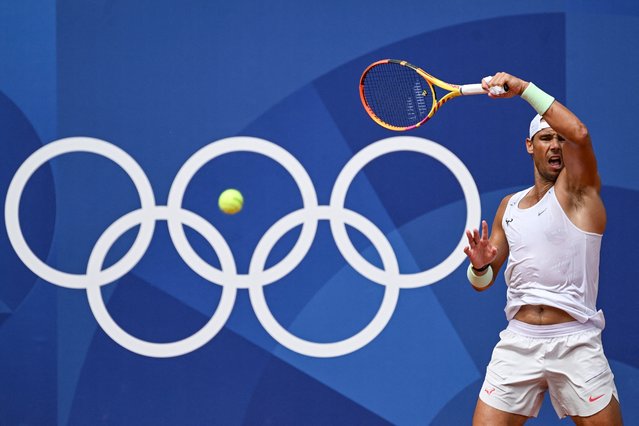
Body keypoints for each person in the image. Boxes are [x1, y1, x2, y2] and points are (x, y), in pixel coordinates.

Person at [463, 73, 623, 425]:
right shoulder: (509, 206)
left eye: (560, 140)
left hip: (575, 342)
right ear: (529, 145)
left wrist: (522, 89)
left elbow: (579, 133)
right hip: (519, 342)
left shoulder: (581, 195)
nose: (556, 145)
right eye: (546, 138)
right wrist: (479, 266)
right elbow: (482, 282)